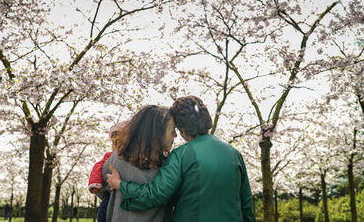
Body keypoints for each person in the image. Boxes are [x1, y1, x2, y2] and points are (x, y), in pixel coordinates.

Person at [107, 95, 255, 222]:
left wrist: (121, 185)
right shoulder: (234, 154)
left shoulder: (181, 155)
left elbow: (155, 195)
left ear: (182, 130)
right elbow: (246, 204)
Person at [100, 105, 176, 221]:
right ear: (158, 133)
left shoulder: (116, 158)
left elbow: (101, 190)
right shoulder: (167, 165)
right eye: (172, 131)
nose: (175, 135)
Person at [88, 121, 128, 221]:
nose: (116, 146)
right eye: (114, 143)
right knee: (104, 211)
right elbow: (98, 166)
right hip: (110, 194)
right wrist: (95, 182)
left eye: (119, 142)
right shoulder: (109, 156)